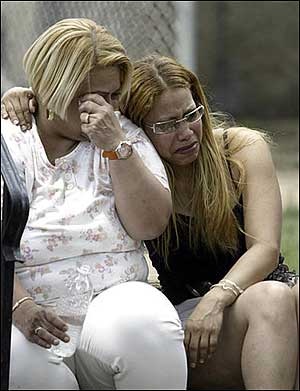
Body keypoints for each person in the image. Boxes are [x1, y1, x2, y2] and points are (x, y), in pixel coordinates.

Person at [2, 54, 299, 389]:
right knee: (275, 300)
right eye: (167, 125)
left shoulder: (240, 149)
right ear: (136, 127)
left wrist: (216, 300)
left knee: (282, 296)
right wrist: (27, 98)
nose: (186, 133)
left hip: (250, 295)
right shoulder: (136, 170)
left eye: (191, 114)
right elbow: (80, 99)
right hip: (190, 321)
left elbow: (266, 249)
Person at [0, 21, 188, 390]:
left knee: (146, 328)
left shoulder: (123, 135)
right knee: (21, 366)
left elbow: (149, 225)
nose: (106, 107)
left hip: (111, 295)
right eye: (91, 95)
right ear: (54, 86)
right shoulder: (10, 139)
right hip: (23, 305)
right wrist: (18, 306)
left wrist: (115, 148)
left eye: (114, 95)